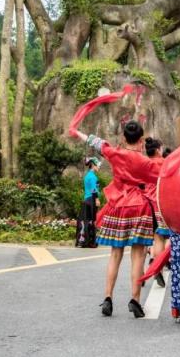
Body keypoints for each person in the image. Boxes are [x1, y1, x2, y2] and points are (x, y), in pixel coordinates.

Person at [71, 120, 161, 318]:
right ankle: (135, 300)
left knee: (115, 254)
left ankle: (108, 298)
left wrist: (77, 132)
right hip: (139, 207)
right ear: (141, 140)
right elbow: (165, 175)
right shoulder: (146, 162)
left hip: (118, 205)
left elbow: (96, 142)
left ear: (123, 138)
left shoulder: (115, 153)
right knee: (138, 256)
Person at [145, 137, 169, 288]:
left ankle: (140, 273)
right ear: (159, 149)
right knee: (161, 237)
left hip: (144, 203)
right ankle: (158, 267)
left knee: (145, 240)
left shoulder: (144, 163)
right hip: (159, 202)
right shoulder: (164, 163)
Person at [76, 157, 101, 248]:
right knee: (92, 220)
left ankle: (83, 241)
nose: (99, 167)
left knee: (86, 220)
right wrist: (97, 199)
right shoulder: (93, 177)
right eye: (98, 165)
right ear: (93, 165)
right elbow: (94, 190)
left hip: (87, 200)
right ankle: (91, 242)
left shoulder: (87, 176)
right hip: (91, 200)